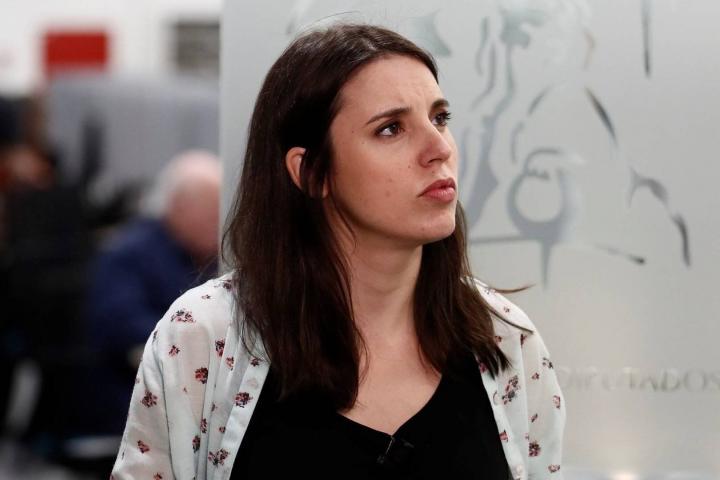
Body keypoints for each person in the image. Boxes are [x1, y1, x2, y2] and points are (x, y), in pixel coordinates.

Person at [110, 24, 565, 479]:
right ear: (311, 172)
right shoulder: (204, 336)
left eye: (440, 118)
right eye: (391, 129)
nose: (439, 148)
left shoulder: (504, 337)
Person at [83, 150, 220, 437]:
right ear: (179, 206)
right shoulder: (128, 254)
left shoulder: (211, 257)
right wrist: (196, 338)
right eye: (210, 212)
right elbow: (121, 327)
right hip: (131, 399)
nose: (218, 223)